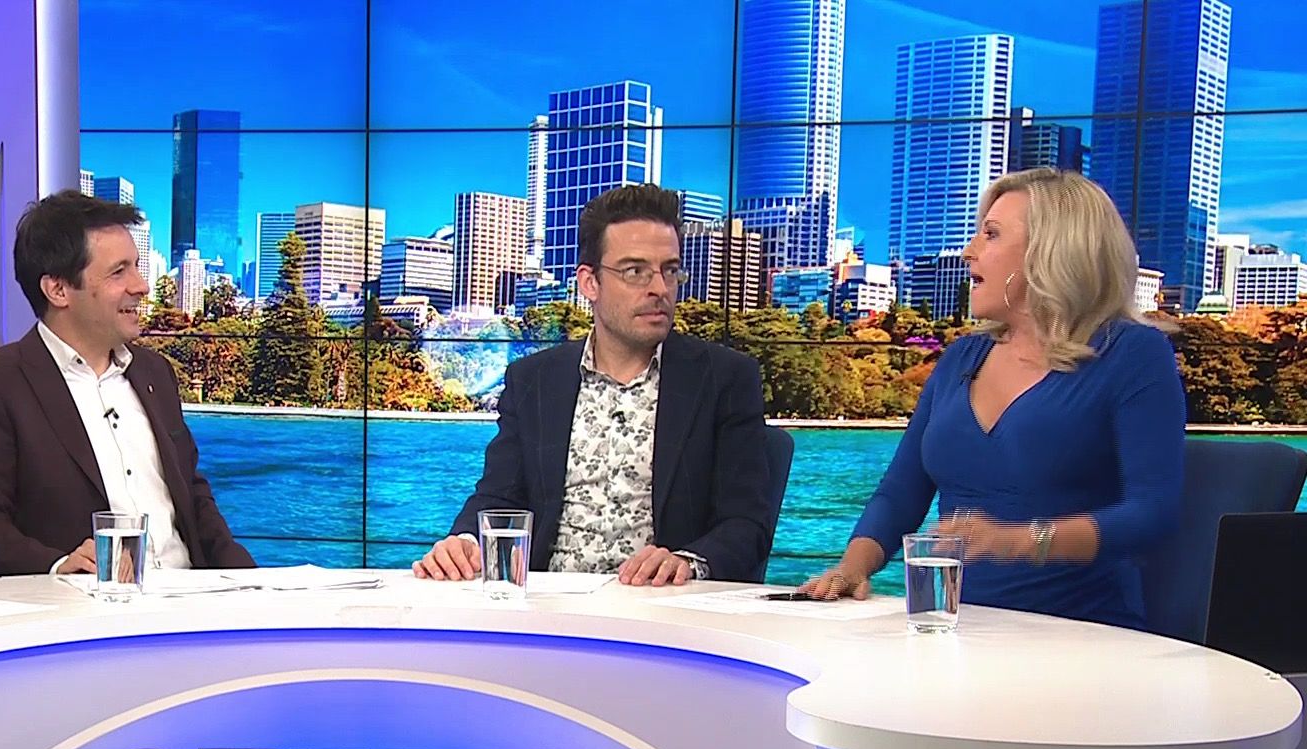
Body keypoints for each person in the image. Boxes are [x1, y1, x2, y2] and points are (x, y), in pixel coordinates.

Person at [802, 168, 1185, 629]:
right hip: (955, 625)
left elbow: (1152, 514)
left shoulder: (1133, 352)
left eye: (991, 234)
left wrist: (1017, 541)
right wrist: (852, 568)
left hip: (1082, 631)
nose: (969, 251)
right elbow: (900, 494)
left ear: (1050, 252)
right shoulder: (962, 356)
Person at [413, 183, 774, 586]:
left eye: (670, 270)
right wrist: (464, 542)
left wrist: (687, 562)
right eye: (635, 271)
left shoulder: (725, 379)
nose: (659, 288)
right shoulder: (533, 380)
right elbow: (499, 496)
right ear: (590, 283)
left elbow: (747, 525)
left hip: (661, 604)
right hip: (547, 602)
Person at [0, 191, 253, 575]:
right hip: (84, 603)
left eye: (136, 267)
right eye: (118, 272)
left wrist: (250, 581)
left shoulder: (155, 373)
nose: (141, 286)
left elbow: (193, 495)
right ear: (58, 290)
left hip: (188, 595)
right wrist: (60, 565)